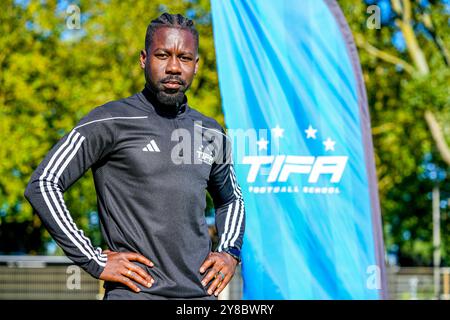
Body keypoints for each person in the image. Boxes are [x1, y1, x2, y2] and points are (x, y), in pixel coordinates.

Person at [24, 13, 245, 300]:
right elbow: (43, 184)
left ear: (196, 65)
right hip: (133, 295)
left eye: (185, 58)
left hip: (200, 298)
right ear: (144, 59)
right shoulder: (109, 121)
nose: (174, 67)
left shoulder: (210, 132)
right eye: (163, 55)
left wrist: (229, 253)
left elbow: (232, 199)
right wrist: (93, 259)